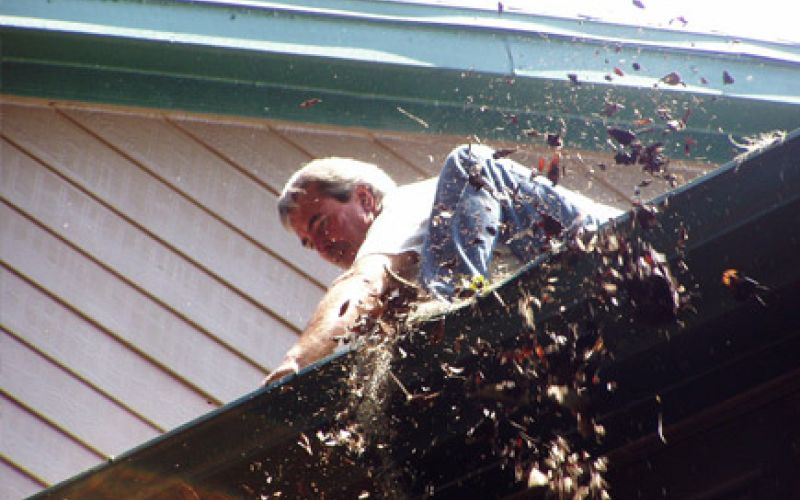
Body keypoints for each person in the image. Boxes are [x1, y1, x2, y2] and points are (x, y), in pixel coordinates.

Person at [262, 144, 621, 384]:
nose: (322, 246)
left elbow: (361, 285)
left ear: (364, 198)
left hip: (610, 250)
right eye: (309, 245)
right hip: (567, 307)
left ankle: (457, 310)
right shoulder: (420, 265)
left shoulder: (404, 207)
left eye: (322, 224)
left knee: (468, 160)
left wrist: (295, 363)